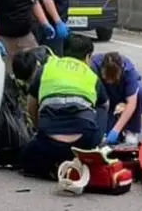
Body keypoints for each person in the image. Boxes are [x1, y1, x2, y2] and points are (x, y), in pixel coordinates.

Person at [22, 34, 109, 179]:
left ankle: (51, 160)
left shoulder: (46, 69)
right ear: (87, 57)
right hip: (83, 142)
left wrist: (38, 129)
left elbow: (31, 103)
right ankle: (95, 147)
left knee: (28, 156)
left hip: (48, 138)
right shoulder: (91, 75)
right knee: (102, 106)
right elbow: (105, 105)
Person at [91, 51, 142, 145]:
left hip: (121, 93)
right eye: (106, 78)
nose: (109, 82)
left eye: (113, 79)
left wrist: (115, 131)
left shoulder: (128, 70)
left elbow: (131, 103)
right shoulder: (93, 66)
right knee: (102, 137)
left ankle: (131, 129)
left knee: (141, 91)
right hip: (103, 97)